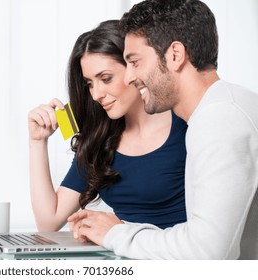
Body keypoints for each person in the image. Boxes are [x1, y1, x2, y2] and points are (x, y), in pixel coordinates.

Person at [68, 0, 258, 259]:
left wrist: (115, 234)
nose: (129, 77)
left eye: (135, 62)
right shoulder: (222, 108)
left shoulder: (220, 118)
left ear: (175, 55)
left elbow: (207, 251)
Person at [28, 20, 187, 233]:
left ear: (134, 67)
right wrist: (38, 141)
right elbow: (48, 223)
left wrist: (118, 231)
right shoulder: (99, 138)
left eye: (106, 78)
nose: (96, 94)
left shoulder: (187, 126)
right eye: (90, 84)